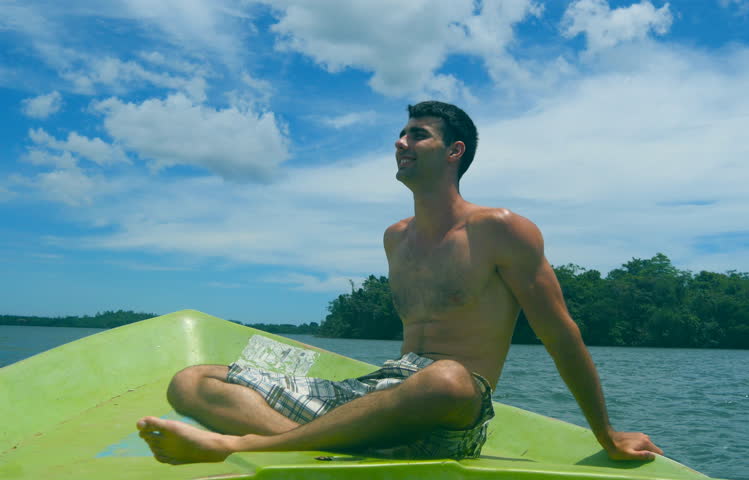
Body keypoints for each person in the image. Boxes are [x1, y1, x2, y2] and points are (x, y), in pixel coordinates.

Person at [137, 101, 663, 465]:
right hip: (378, 392)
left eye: (418, 134)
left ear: (453, 152)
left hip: (448, 410)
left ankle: (243, 444)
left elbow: (560, 334)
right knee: (194, 380)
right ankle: (329, 444)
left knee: (448, 378)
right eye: (402, 133)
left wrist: (606, 433)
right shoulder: (395, 239)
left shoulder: (500, 230)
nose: (401, 141)